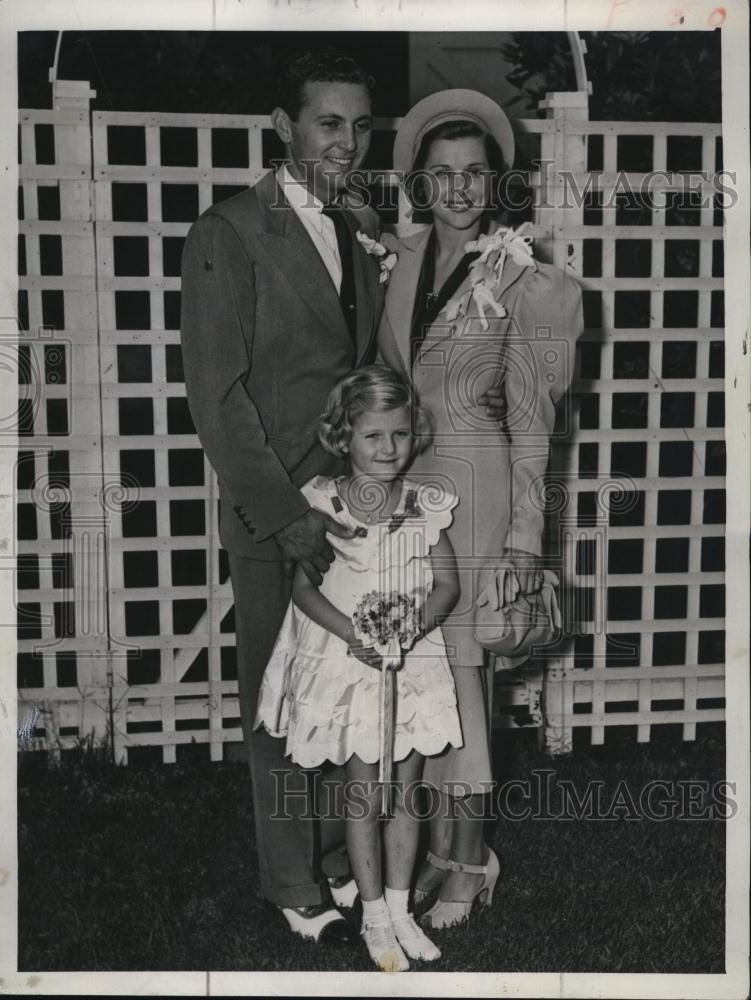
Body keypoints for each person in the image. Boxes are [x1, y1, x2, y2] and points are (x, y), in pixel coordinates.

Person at [180, 49, 385, 945]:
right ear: (283, 126)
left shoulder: (358, 222)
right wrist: (289, 514)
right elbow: (216, 398)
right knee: (278, 696)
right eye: (327, 122)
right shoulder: (227, 232)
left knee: (341, 692)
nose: (346, 141)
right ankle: (289, 881)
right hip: (278, 510)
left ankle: (339, 861)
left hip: (352, 502)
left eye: (359, 125)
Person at [377, 89, 584, 928]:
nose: (458, 188)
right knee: (418, 683)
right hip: (406, 498)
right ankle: (432, 852)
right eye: (441, 174)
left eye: (474, 174)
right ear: (420, 183)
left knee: (463, 688)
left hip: (480, 495)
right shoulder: (400, 262)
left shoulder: (524, 277)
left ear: (496, 183)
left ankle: (470, 862)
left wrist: (524, 543)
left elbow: (535, 428)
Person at [254, 365, 464, 971]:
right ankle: (372, 914)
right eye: (373, 437)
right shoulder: (322, 502)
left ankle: (400, 909)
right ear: (344, 437)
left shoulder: (424, 505)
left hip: (412, 659)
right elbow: (304, 590)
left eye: (399, 435)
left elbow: (446, 584)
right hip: (354, 663)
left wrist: (411, 627)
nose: (389, 449)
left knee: (405, 791)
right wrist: (358, 636)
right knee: (365, 795)